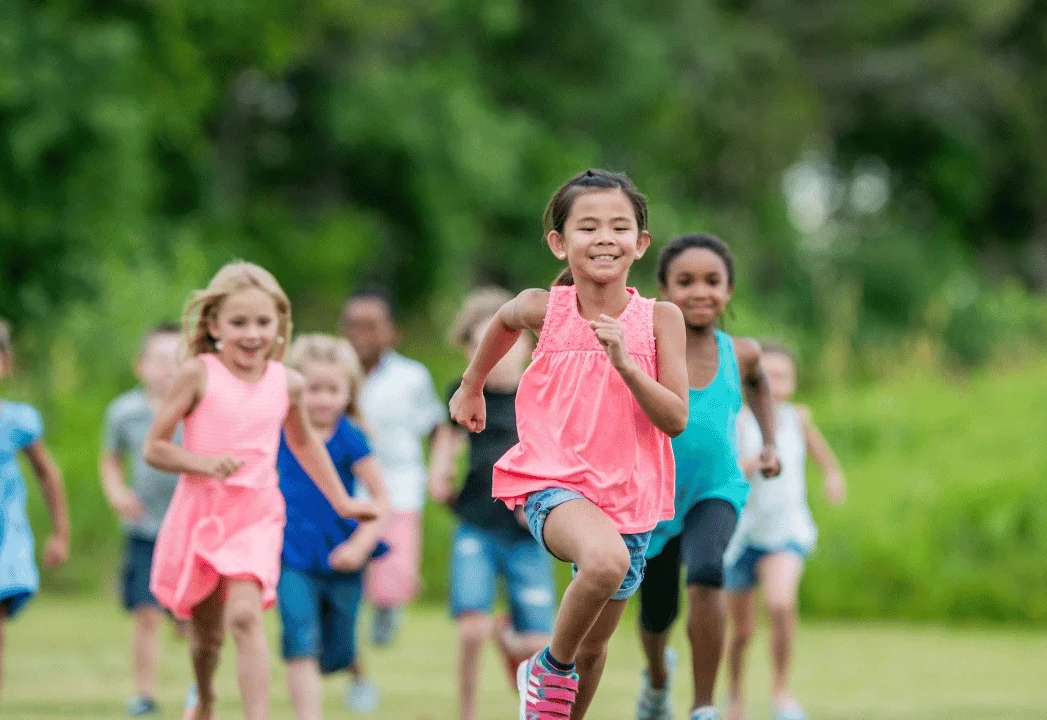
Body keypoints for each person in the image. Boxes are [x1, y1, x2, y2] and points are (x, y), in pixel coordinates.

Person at [450, 168, 689, 720]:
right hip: (554, 482)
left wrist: (626, 363)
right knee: (604, 563)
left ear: (640, 243)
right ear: (560, 243)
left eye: (619, 227)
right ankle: (545, 668)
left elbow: (675, 417)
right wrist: (471, 384)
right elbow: (503, 321)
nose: (605, 238)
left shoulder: (661, 320)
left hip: (630, 499)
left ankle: (559, 689)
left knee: (594, 647)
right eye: (588, 226)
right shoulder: (546, 308)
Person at [142, 261, 377, 720]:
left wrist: (343, 501)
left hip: (256, 514)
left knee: (246, 617)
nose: (252, 334)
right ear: (214, 325)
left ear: (279, 325)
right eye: (239, 323)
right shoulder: (198, 375)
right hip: (203, 513)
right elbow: (155, 447)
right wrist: (204, 464)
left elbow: (305, 443)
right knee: (208, 637)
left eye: (263, 322)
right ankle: (205, 696)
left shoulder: (287, 383)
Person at [635, 235, 780, 720]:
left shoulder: (742, 353)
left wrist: (770, 442)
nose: (700, 292)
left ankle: (703, 706)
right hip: (653, 495)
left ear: (729, 290)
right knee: (657, 611)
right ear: (663, 290)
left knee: (706, 573)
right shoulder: (647, 349)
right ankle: (657, 680)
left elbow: (760, 386)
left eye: (712, 281)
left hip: (716, 489)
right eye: (686, 281)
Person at [429, 287, 555, 720]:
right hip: (477, 524)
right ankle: (468, 711)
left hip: (528, 532)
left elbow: (556, 453)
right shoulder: (466, 391)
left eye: (509, 341)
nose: (499, 353)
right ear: (470, 350)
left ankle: (515, 648)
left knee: (538, 641)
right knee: (471, 629)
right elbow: (448, 439)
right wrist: (440, 472)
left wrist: (537, 497)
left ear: (528, 344)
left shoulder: (541, 393)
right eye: (484, 343)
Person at [724, 343, 847, 720]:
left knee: (781, 605)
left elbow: (821, 453)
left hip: (785, 530)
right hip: (740, 535)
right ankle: (735, 696)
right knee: (742, 632)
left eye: (783, 376)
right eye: (767, 375)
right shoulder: (737, 421)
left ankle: (781, 692)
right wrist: (755, 463)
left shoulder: (797, 419)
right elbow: (727, 469)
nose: (775, 384)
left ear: (793, 382)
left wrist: (832, 475)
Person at [276, 334, 390, 719]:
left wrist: (360, 546)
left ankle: (350, 669)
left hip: (341, 557)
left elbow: (381, 501)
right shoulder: (279, 432)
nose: (323, 399)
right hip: (291, 553)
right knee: (299, 638)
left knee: (337, 652)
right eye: (313, 389)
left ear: (348, 393)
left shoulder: (350, 437)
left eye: (332, 390)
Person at [341, 286, 445, 646]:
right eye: (354, 326)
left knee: (394, 565)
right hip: (344, 486)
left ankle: (387, 610)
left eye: (371, 326)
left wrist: (439, 470)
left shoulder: (411, 377)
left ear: (392, 332)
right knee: (345, 563)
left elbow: (435, 426)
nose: (361, 335)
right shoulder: (333, 373)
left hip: (399, 485)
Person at [100, 322, 186, 717]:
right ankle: (145, 693)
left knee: (190, 616)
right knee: (145, 612)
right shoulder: (124, 412)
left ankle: (198, 687)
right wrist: (117, 492)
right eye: (160, 359)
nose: (169, 368)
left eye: (178, 359)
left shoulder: (197, 409)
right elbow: (110, 459)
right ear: (141, 365)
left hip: (190, 528)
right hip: (145, 528)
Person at [0, 317, 70, 701]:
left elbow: (48, 475)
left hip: (4, 534)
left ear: (6, 364)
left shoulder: (16, 420)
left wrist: (60, 533)